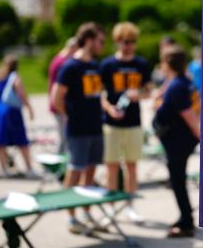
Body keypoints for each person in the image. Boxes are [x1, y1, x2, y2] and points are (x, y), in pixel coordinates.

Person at [51, 22, 106, 234]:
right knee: (75, 170)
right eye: (100, 41)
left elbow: (97, 95)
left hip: (95, 127)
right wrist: (70, 115)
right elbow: (56, 98)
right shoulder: (70, 67)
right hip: (78, 128)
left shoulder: (94, 65)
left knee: (91, 170)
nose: (103, 45)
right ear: (89, 40)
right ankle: (71, 216)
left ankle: (86, 212)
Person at [100, 22, 152, 223]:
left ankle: (131, 206)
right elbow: (101, 94)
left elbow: (148, 92)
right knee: (111, 166)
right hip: (111, 123)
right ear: (117, 42)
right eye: (125, 42)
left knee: (132, 166)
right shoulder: (107, 65)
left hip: (133, 122)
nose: (129, 45)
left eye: (132, 42)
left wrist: (137, 95)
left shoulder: (141, 64)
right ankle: (111, 209)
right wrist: (109, 109)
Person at [153, 46, 200, 238]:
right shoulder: (182, 82)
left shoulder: (177, 86)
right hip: (178, 138)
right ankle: (186, 216)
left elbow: (189, 115)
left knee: (178, 181)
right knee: (178, 179)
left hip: (178, 140)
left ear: (167, 64)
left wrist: (200, 135)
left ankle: (186, 222)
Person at [0, 54, 37, 178]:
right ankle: (29, 168)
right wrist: (29, 108)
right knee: (21, 140)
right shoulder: (14, 77)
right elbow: (21, 93)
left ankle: (4, 169)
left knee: (0, 141)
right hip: (10, 110)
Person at [48, 37, 79, 154]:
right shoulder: (63, 63)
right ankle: (60, 166)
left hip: (58, 104)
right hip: (61, 105)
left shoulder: (57, 59)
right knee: (65, 138)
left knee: (63, 137)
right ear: (72, 48)